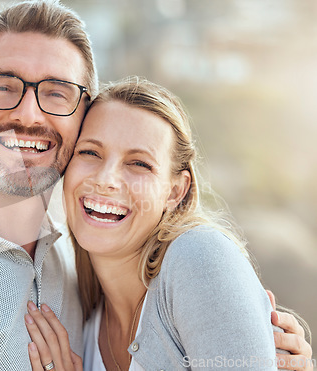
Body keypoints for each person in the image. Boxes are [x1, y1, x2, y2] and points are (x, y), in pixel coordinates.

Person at [0, 1, 311, 370]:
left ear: (80, 117)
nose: (29, 114)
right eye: (2, 86)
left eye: (56, 93)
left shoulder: (73, 257)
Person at [25, 77, 313, 371]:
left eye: (139, 163)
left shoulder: (199, 258)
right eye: (90, 152)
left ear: (176, 191)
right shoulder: (77, 309)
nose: (105, 179)